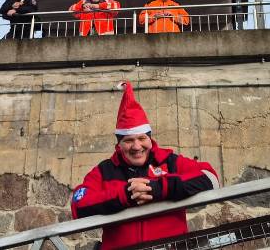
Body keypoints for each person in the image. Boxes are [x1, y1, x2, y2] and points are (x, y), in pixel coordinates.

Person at [71, 82, 219, 249]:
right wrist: (125, 195)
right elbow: (78, 205)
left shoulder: (169, 161)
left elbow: (211, 177)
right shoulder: (104, 170)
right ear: (119, 144)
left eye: (142, 138)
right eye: (128, 140)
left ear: (150, 138)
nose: (136, 147)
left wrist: (160, 188)